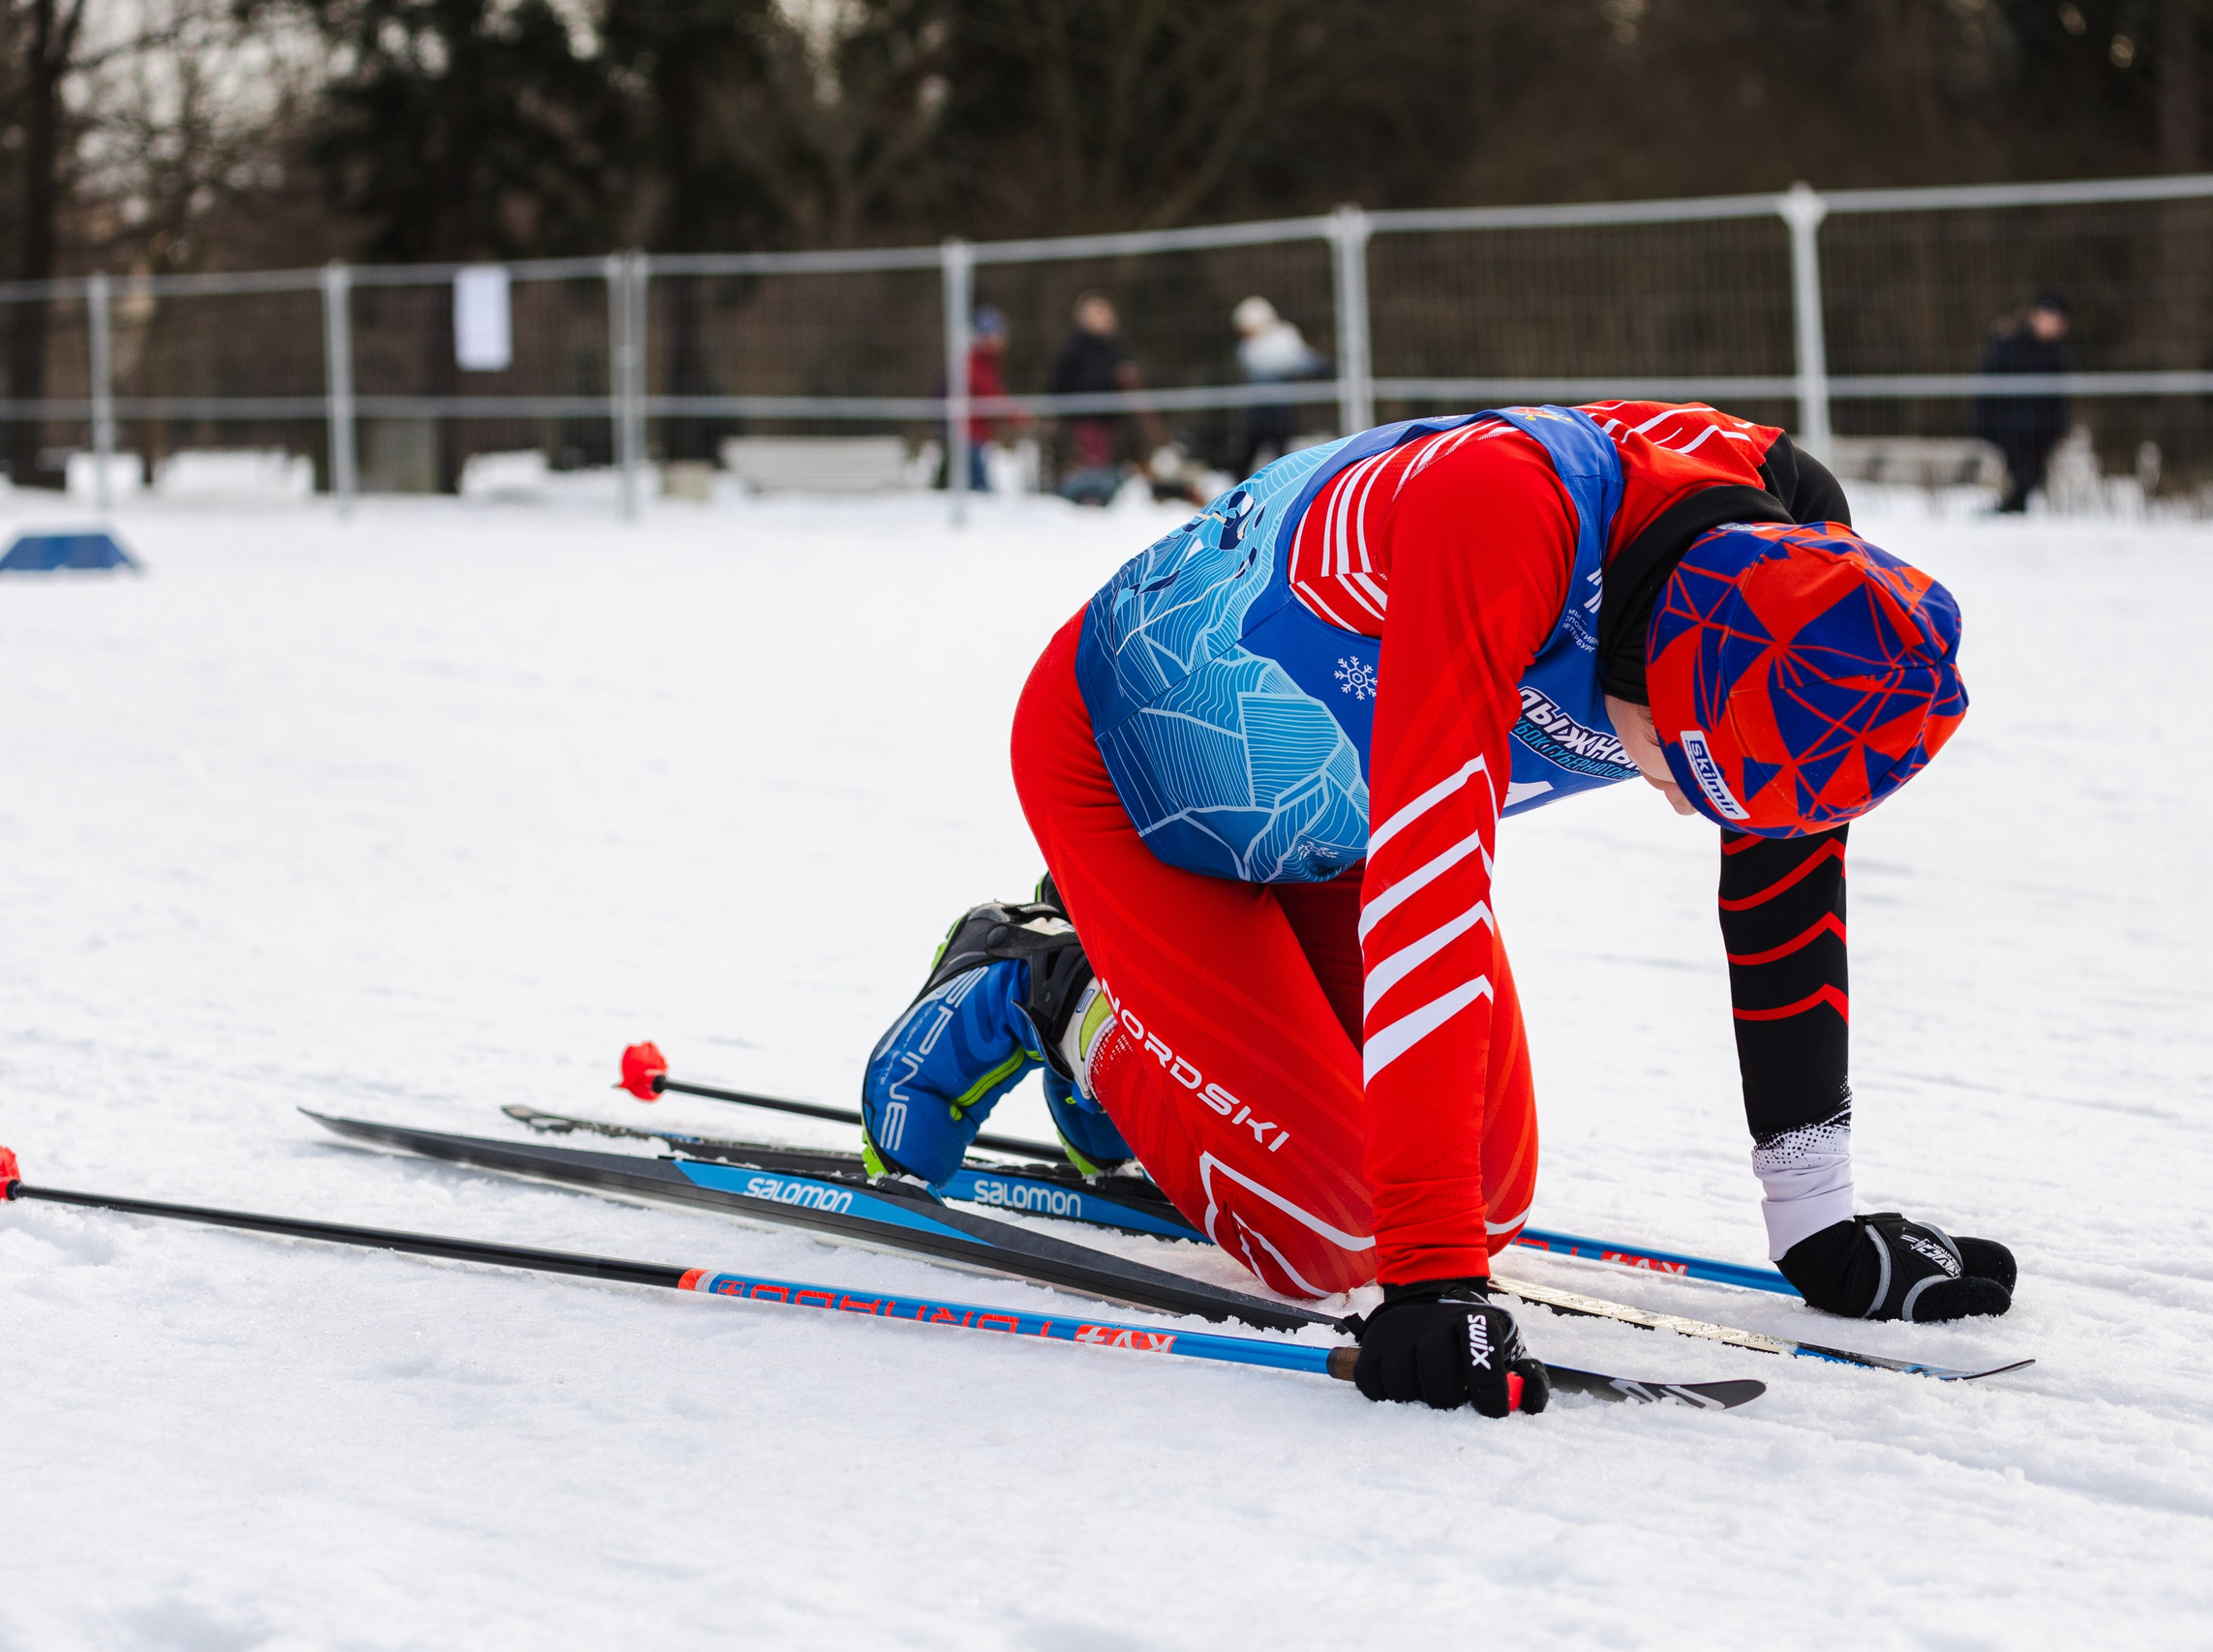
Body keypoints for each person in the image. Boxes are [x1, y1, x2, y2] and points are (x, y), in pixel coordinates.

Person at [862, 401, 2014, 1419]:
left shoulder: (1809, 577)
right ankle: (1042, 979)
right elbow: (1432, 888)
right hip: (1134, 780)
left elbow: (1786, 884)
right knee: (1329, 1235)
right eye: (1683, 769)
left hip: (1330, 829)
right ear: (1655, 659)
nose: (1680, 805)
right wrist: (1429, 1276)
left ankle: (1146, 1046)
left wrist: (1815, 1217)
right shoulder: (1504, 510)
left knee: (1489, 1197)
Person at [1047, 293, 1160, 506]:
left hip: (1110, 416)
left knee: (1106, 457)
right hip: (1083, 414)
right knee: (1090, 457)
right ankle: (1088, 495)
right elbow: (1059, 381)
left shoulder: (1115, 346)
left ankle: (1102, 495)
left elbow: (1126, 371)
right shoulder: (1074, 348)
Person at [1975, 292, 2072, 513]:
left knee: (2030, 479)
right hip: (2009, 428)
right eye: (2048, 317)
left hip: (2040, 432)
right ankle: (2005, 513)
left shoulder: (2056, 353)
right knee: (2021, 476)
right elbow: (1988, 388)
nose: (2052, 325)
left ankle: (2007, 513)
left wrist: (2058, 430)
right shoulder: (2009, 344)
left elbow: (2057, 401)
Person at [1229, 295, 1326, 479]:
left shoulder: (1282, 339)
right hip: (1261, 409)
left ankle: (1281, 483)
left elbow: (1301, 361)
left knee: (1280, 448)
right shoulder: (1249, 349)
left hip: (1278, 409)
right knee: (1254, 448)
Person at [956, 306, 1022, 493]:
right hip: (969, 434)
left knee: (979, 483)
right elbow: (988, 394)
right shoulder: (974, 362)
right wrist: (1013, 414)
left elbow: (994, 392)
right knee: (977, 487)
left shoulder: (989, 362)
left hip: (979, 433)